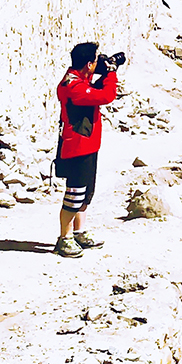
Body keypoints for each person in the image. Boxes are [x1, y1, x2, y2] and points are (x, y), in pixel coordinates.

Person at [53, 42, 118, 258]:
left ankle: (78, 233)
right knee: (74, 195)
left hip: (88, 146)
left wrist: (105, 69)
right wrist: (111, 73)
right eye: (96, 61)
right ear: (89, 64)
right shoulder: (73, 86)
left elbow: (94, 88)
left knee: (86, 194)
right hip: (77, 147)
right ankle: (64, 238)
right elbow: (105, 96)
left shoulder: (81, 79)